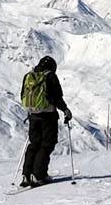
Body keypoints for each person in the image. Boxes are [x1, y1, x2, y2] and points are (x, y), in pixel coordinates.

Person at [18, 56, 73, 187]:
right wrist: (65, 110)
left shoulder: (29, 76)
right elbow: (57, 97)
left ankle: (26, 175)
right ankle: (39, 175)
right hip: (48, 117)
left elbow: (22, 95)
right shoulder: (50, 76)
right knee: (46, 144)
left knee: (34, 144)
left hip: (33, 116)